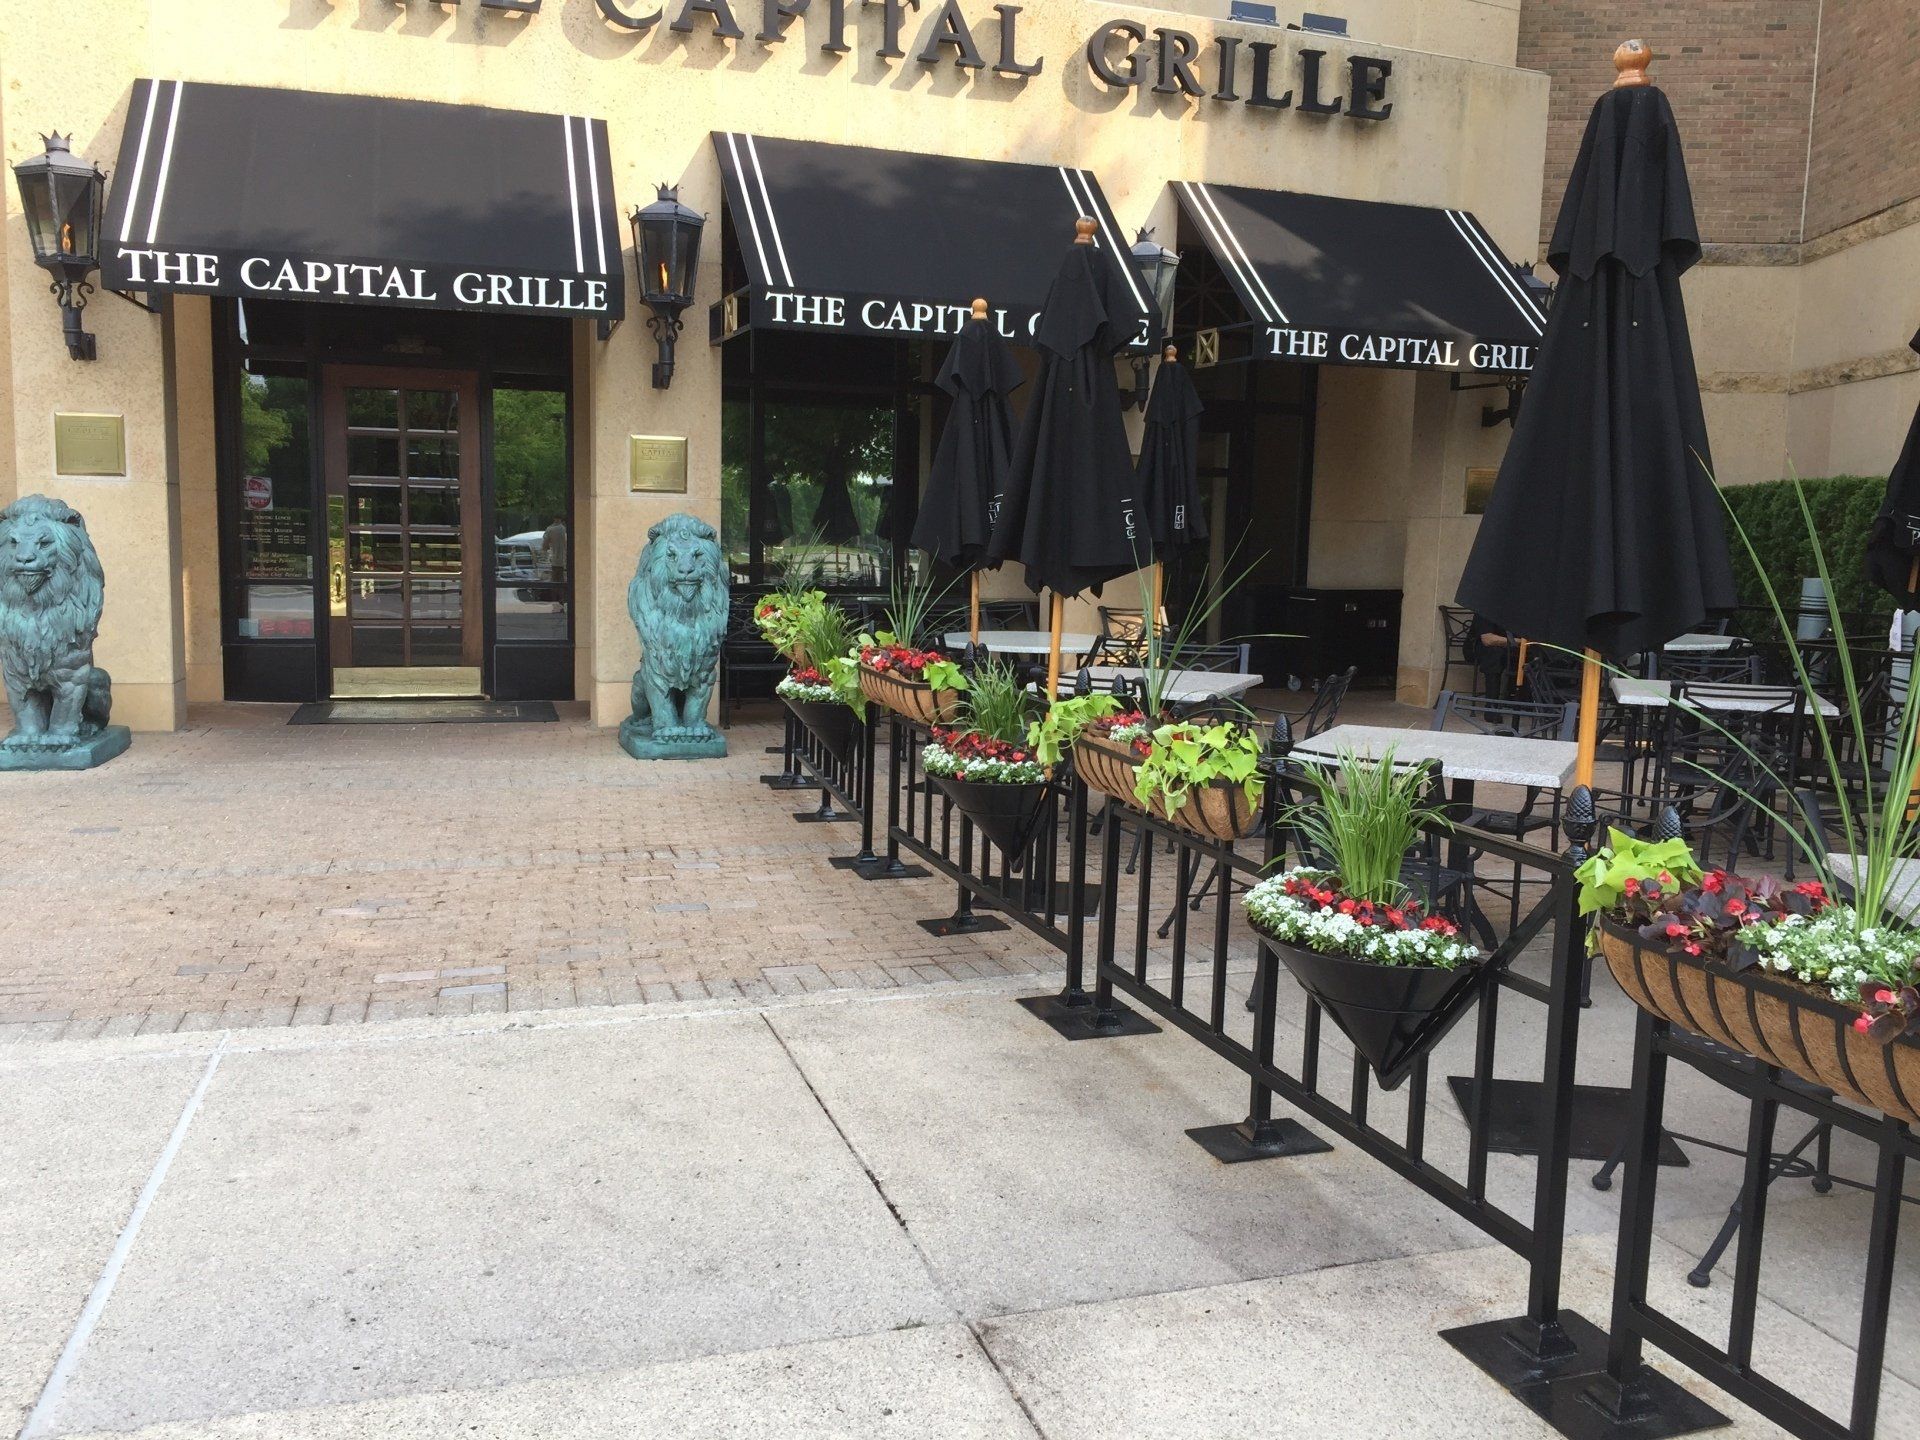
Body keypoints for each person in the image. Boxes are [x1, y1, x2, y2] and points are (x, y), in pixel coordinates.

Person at [1464, 614, 1516, 698]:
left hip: (1509, 648)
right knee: (1494, 654)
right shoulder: (1485, 608)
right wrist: (1518, 641)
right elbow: (1487, 639)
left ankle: (1519, 701)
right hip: (1479, 647)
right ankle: (1491, 704)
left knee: (1529, 655)